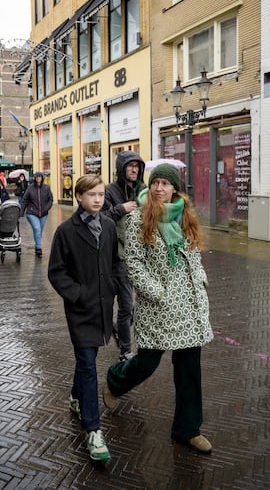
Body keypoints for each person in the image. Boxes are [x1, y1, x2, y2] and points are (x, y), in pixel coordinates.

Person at [102, 163, 214, 455]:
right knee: (147, 363)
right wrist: (156, 292)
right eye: (156, 183)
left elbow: (193, 254)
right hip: (159, 305)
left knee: (189, 369)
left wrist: (201, 280)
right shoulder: (139, 219)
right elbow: (134, 263)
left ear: (175, 188)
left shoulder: (185, 216)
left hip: (188, 303)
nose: (160, 188)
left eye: (166, 183)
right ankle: (115, 381)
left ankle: (188, 429)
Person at [48, 175, 128, 462]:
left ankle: (75, 397)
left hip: (103, 307)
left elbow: (115, 263)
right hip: (81, 310)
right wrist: (78, 294)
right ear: (79, 196)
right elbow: (56, 272)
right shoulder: (66, 231)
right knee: (88, 364)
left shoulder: (107, 225)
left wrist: (117, 288)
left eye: (101, 194)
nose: (98, 199)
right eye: (92, 194)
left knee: (88, 358)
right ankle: (93, 430)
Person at [101, 151, 146, 361]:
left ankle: (120, 329)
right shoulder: (109, 191)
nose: (134, 169)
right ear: (121, 169)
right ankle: (126, 351)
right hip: (116, 259)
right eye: (130, 166)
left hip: (140, 257)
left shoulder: (142, 190)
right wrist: (120, 209)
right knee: (125, 306)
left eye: (137, 166)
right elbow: (100, 218)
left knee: (137, 305)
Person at [20, 171, 53, 258]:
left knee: (39, 231)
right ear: (34, 178)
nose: (38, 178)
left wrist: (47, 208)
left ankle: (37, 245)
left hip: (43, 214)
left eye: (40, 177)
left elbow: (50, 200)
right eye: (36, 177)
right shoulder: (30, 188)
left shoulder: (46, 188)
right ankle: (39, 248)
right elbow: (25, 200)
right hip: (32, 212)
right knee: (37, 228)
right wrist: (21, 211)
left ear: (42, 178)